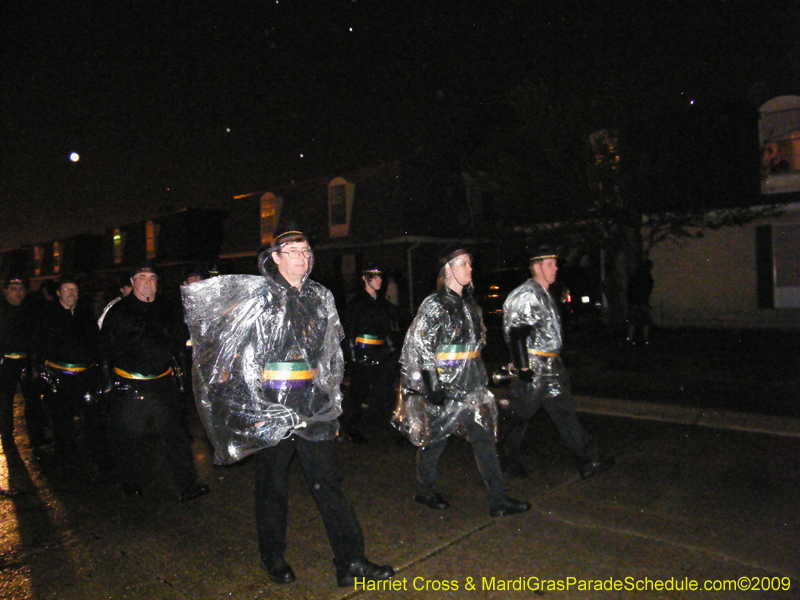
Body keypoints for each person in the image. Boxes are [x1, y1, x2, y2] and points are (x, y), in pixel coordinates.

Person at [182, 227, 394, 587]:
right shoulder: (259, 298)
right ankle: (273, 555)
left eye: (306, 250)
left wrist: (331, 399)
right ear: (275, 258)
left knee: (328, 484)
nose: (302, 256)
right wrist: (258, 410)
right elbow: (241, 357)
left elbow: (330, 355)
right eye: (292, 251)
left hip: (312, 405)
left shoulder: (319, 296)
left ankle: (351, 561)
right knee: (272, 486)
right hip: (271, 407)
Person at [392, 246, 530, 517]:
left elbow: (474, 347)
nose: (470, 268)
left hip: (471, 388)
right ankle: (425, 490)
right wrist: (432, 385)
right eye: (464, 263)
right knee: (434, 441)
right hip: (444, 387)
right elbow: (421, 346)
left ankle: (499, 499)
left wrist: (481, 378)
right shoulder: (435, 304)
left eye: (470, 264)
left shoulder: (470, 305)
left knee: (483, 439)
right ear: (449, 269)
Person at [501, 247, 614, 480]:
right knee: (520, 417)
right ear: (537, 266)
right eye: (551, 263)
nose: (556, 268)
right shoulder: (527, 294)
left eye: (555, 263)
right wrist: (523, 367)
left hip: (552, 366)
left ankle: (587, 461)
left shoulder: (545, 292)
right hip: (534, 367)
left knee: (565, 414)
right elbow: (516, 333)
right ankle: (506, 460)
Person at [99, 262, 209, 501]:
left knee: (176, 436)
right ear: (132, 282)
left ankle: (187, 484)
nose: (148, 282)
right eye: (141, 277)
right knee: (128, 437)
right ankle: (129, 482)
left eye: (152, 278)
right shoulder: (119, 312)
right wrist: (108, 384)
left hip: (162, 382)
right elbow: (105, 349)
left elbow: (179, 344)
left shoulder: (167, 309)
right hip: (130, 385)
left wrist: (182, 377)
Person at [34, 277, 110, 471]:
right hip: (60, 377)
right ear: (58, 292)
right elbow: (38, 347)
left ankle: (99, 455)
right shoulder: (46, 315)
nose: (71, 293)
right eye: (67, 289)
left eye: (75, 289)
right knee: (62, 420)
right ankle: (66, 457)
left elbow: (96, 343)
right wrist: (43, 374)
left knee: (93, 417)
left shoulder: (85, 314)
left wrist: (99, 369)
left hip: (86, 375)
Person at [341, 263, 398, 443]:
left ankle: (392, 429)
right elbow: (349, 332)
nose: (380, 280)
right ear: (365, 279)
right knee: (358, 393)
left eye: (381, 277)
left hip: (381, 353)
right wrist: (354, 356)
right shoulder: (357, 303)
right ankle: (351, 429)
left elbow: (386, 329)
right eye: (376, 277)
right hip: (362, 354)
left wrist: (390, 349)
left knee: (385, 392)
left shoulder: (381, 303)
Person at [0, 275, 49, 448]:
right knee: (5, 400)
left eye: (21, 289)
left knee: (33, 399)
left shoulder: (29, 310)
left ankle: (37, 436)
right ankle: (6, 436)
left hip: (27, 361)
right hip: (5, 362)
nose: (18, 293)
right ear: (5, 291)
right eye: (14, 289)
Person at [626, 259, 655, 345]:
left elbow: (630, 289)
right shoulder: (647, 277)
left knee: (633, 321)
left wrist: (630, 300)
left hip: (634, 301)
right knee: (644, 321)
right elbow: (648, 288)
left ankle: (630, 338)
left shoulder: (635, 275)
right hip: (642, 302)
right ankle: (645, 339)